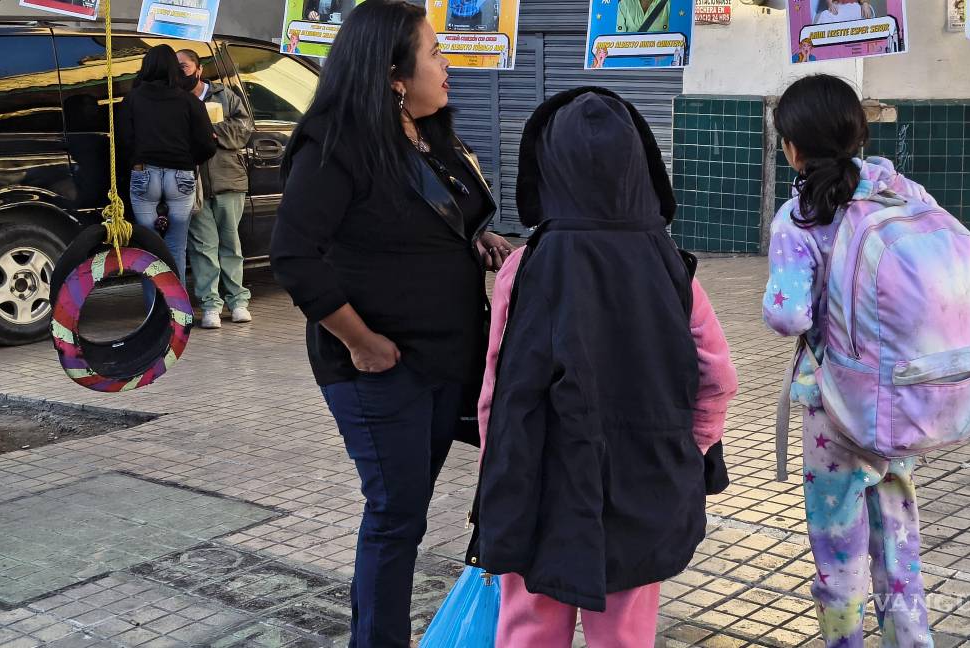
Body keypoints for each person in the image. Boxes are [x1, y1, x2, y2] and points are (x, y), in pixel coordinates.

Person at [268, 0, 511, 644]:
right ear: (394, 74)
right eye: (434, 53)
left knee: (408, 511)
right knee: (395, 514)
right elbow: (293, 256)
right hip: (380, 370)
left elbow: (446, 219)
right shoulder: (336, 147)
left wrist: (478, 240)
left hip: (446, 360)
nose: (447, 65)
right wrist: (362, 341)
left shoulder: (430, 135)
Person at [469, 88, 739, 648]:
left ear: (544, 169)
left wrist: (497, 474)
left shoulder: (524, 267)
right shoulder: (673, 268)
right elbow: (719, 377)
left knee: (527, 628)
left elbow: (495, 387)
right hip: (643, 482)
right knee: (625, 634)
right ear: (640, 168)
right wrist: (688, 446)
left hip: (538, 482)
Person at [762, 75, 970, 648]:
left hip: (835, 411)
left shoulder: (799, 218)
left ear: (791, 147)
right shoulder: (905, 192)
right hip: (900, 400)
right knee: (899, 545)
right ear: (858, 134)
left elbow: (788, 314)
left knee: (839, 551)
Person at [120, 44, 216, 292]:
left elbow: (123, 141)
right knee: (176, 247)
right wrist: (187, 160)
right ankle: (177, 314)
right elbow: (207, 145)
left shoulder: (133, 99)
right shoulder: (189, 101)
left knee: (149, 250)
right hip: (181, 177)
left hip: (144, 174)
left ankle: (155, 314)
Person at [177, 49, 256, 329]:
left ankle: (238, 301)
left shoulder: (225, 95)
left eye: (184, 66)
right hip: (193, 183)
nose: (180, 71)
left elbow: (244, 128)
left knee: (231, 244)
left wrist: (212, 132)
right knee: (202, 247)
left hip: (227, 180)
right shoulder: (176, 99)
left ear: (199, 69)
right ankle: (210, 305)